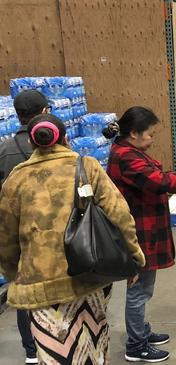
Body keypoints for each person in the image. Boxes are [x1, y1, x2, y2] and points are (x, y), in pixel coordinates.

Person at [0, 114, 145, 364]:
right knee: (95, 349)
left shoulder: (16, 179)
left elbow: (5, 239)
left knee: (54, 355)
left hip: (41, 286)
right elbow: (120, 215)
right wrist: (135, 256)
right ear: (66, 138)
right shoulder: (86, 166)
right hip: (89, 275)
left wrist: (15, 275)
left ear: (33, 144)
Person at [104, 107, 176, 363]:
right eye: (150, 135)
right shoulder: (126, 157)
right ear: (133, 133)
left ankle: (142, 331)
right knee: (138, 289)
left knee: (144, 288)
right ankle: (136, 345)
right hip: (139, 232)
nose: (152, 140)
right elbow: (157, 181)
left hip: (146, 228)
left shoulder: (129, 151)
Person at [0, 90, 48, 365]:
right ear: (44, 112)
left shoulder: (4, 149)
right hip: (52, 232)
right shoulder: (54, 146)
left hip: (17, 233)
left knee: (23, 288)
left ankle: (31, 351)